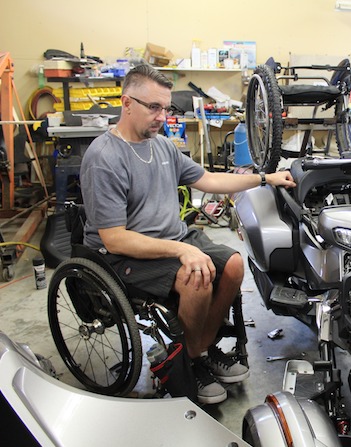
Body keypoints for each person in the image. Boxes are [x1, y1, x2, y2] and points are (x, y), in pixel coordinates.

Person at [80, 63, 295, 404]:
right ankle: (193, 362)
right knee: (197, 277)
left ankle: (199, 350)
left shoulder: (163, 146)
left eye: (166, 108)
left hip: (172, 238)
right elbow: (114, 238)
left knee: (233, 265)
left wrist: (264, 178)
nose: (161, 117)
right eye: (154, 107)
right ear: (127, 103)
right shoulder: (104, 158)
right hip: (124, 254)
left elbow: (208, 179)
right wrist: (182, 251)